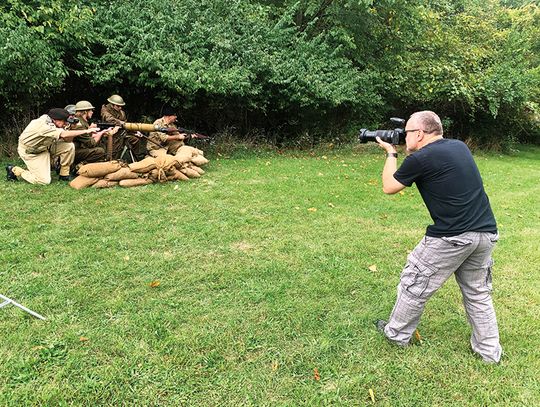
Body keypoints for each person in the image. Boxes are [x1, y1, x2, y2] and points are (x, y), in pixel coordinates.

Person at [374, 110, 502, 363]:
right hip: (485, 233)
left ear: (419, 133)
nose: (403, 136)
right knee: (478, 293)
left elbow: (389, 187)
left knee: (414, 284)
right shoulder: (459, 147)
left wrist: (391, 152)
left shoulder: (421, 158)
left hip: (451, 237)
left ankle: (396, 334)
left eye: (407, 132)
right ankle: (489, 353)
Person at [6, 108, 99, 183]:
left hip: (46, 146)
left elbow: (67, 139)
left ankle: (64, 175)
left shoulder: (53, 121)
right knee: (43, 181)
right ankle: (15, 170)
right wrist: (86, 131)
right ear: (56, 120)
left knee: (69, 146)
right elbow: (63, 135)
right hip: (32, 152)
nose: (66, 124)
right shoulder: (43, 126)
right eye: (64, 122)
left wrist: (71, 128)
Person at [72, 100, 118, 165]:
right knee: (99, 151)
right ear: (85, 112)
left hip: (77, 148)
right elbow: (91, 143)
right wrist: (102, 132)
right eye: (91, 110)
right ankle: (79, 165)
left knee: (101, 144)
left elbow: (87, 137)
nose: (92, 112)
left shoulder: (82, 121)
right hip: (74, 151)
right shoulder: (79, 125)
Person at [100, 94, 142, 160]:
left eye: (121, 106)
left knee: (135, 140)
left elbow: (125, 126)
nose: (120, 108)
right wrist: (121, 123)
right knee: (113, 153)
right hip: (110, 135)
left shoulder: (122, 113)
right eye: (118, 106)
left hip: (122, 134)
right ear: (112, 104)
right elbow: (110, 119)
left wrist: (135, 131)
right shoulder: (105, 110)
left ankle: (136, 159)